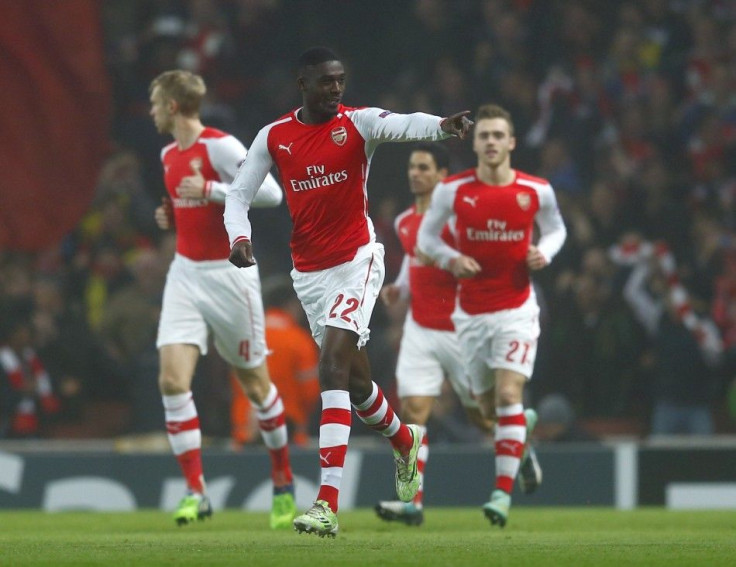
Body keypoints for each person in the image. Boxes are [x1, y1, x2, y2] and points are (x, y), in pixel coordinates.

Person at [224, 46, 472, 537]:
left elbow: (403, 123)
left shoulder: (358, 123)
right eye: (326, 82)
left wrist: (442, 126)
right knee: (356, 385)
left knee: (332, 366)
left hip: (357, 260)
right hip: (309, 274)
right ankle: (405, 441)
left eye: (340, 80)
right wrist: (239, 237)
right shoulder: (274, 136)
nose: (336, 89)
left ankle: (326, 503)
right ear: (303, 83)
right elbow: (238, 194)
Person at [148, 69, 296, 529]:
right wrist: (170, 213)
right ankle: (196, 492)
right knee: (172, 382)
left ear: (172, 106)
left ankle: (283, 479)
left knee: (255, 386)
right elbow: (186, 207)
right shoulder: (168, 153)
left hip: (229, 277)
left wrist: (212, 190)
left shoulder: (220, 146)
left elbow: (271, 192)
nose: (151, 112)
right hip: (185, 273)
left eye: (155, 104)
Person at [374, 142, 543, 527]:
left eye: (423, 167)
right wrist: (399, 288)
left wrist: (452, 262)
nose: (414, 173)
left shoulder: (458, 223)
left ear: (442, 176)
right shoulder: (404, 222)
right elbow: (413, 266)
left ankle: (522, 436)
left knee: (484, 420)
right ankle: (413, 503)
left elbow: (482, 267)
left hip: (460, 330)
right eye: (412, 167)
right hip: (421, 331)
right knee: (414, 414)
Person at [417, 103, 567, 527]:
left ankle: (500, 496)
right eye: (484, 135)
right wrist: (450, 259)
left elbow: (556, 229)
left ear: (512, 142)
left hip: (517, 309)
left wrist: (545, 251)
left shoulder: (536, 190)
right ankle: (523, 434)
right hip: (470, 316)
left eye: (499, 135)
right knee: (485, 413)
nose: (491, 142)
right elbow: (428, 239)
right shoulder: (453, 191)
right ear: (475, 142)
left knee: (507, 397)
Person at [230, 275, 320, 448]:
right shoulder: (299, 341)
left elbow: (235, 385)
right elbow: (310, 393)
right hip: (289, 434)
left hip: (245, 434)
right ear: (291, 305)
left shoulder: (244, 338)